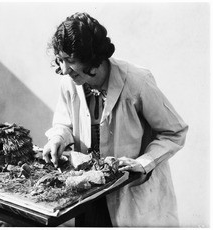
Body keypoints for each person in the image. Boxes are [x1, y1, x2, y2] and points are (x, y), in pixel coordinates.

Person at [42, 12, 188, 227]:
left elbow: (174, 132)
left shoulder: (137, 81)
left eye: (70, 61)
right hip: (89, 193)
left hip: (132, 194)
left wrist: (143, 163)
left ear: (92, 58)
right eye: (60, 60)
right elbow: (64, 123)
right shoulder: (70, 82)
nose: (64, 70)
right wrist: (57, 139)